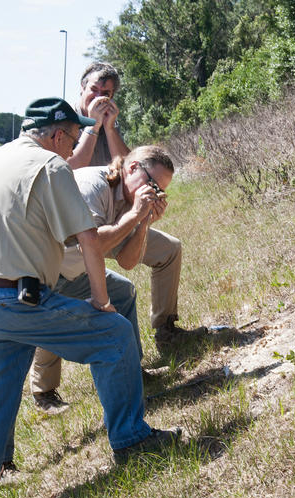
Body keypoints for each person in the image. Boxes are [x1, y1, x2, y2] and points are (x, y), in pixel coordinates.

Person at [0, 97, 179, 498]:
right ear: (57, 134)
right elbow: (87, 239)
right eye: (76, 134)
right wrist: (101, 303)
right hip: (14, 301)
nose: (80, 143)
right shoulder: (52, 167)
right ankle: (132, 439)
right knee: (115, 334)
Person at [65, 61, 207, 356]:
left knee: (169, 249)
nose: (100, 97)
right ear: (82, 87)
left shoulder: (108, 124)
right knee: (62, 284)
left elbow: (128, 165)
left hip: (115, 218)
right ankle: (45, 388)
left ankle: (166, 330)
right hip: (72, 228)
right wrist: (91, 127)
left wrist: (110, 127)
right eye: (94, 90)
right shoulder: (64, 122)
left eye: (107, 92)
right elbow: (65, 173)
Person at [30, 146, 175, 413]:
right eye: (152, 184)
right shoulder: (92, 185)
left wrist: (145, 220)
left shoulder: (130, 197)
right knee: (52, 323)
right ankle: (43, 392)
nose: (153, 193)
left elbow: (127, 261)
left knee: (123, 291)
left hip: (77, 268)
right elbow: (91, 243)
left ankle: (133, 370)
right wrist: (135, 215)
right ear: (132, 168)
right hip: (45, 270)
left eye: (160, 191)